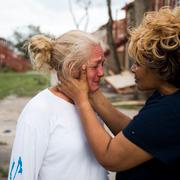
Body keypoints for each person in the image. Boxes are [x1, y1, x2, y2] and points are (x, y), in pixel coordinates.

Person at [59, 6, 180, 180]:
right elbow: (137, 134)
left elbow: (110, 157)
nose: (132, 69)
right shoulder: (166, 96)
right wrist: (93, 94)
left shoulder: (171, 112)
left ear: (160, 67)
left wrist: (82, 101)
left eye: (138, 63)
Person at [8, 30, 108, 180]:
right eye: (95, 66)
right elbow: (20, 175)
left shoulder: (90, 104)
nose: (102, 72)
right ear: (71, 67)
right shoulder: (39, 109)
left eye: (103, 64)